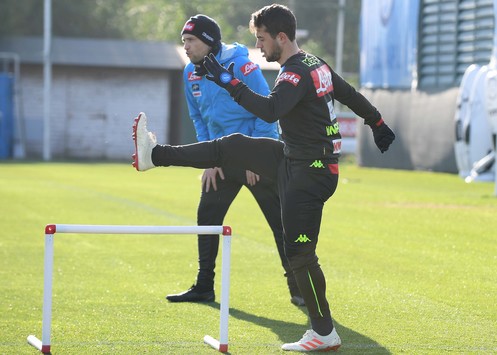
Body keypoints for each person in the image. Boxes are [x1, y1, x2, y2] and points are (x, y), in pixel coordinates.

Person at [132, 4, 395, 352]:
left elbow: (271, 109)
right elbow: (348, 95)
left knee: (300, 254)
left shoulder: (294, 73)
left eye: (262, 39)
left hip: (311, 173)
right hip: (294, 159)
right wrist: (376, 122)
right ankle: (156, 156)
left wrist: (227, 80)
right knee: (231, 146)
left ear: (281, 38)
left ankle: (324, 332)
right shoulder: (315, 64)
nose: (259, 47)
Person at [165, 14, 305, 307]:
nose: (186, 47)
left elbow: (267, 111)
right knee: (207, 220)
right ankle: (204, 287)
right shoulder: (189, 72)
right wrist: (208, 159)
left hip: (256, 158)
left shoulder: (242, 66)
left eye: (191, 40)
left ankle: (299, 289)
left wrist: (256, 157)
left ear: (207, 41)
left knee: (281, 224)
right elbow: (198, 118)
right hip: (221, 158)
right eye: (184, 41)